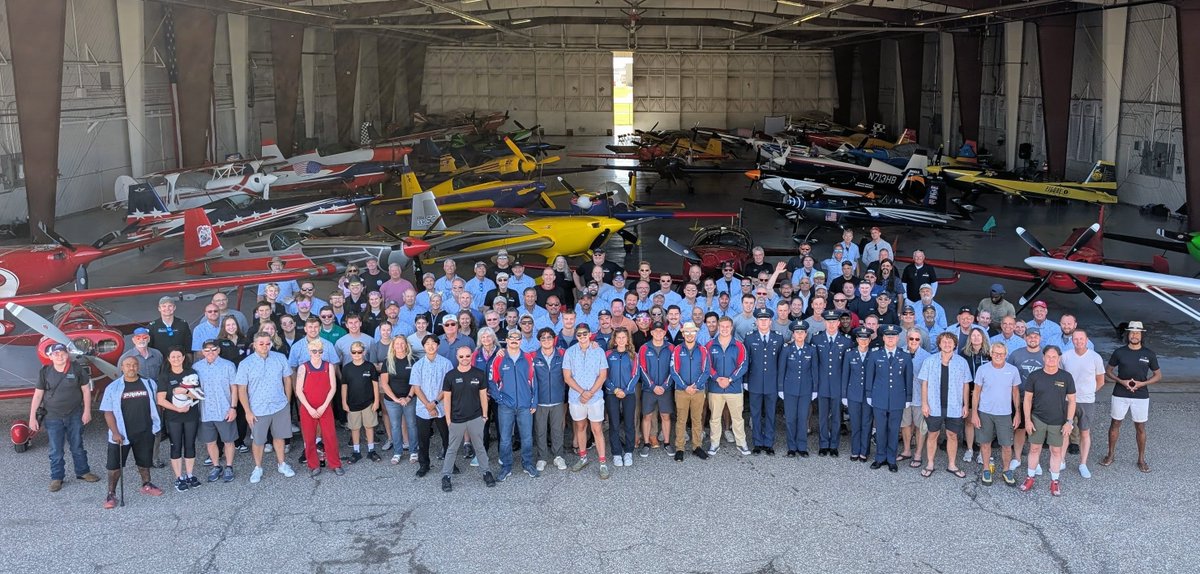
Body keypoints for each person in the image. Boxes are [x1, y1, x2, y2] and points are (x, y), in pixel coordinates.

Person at [30, 343, 98, 492]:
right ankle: (57, 477)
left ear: (67, 354)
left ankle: (83, 472)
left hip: (75, 414)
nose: (59, 356)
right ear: (50, 356)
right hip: (52, 417)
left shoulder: (77, 368)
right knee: (56, 449)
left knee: (77, 446)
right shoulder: (45, 372)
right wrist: (32, 417)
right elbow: (38, 395)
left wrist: (87, 411)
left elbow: (86, 391)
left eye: (62, 353)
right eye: (56, 354)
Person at [100, 356, 164, 509]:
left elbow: (156, 404)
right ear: (122, 367)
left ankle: (146, 484)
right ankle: (111, 494)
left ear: (139, 367)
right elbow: (108, 412)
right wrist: (115, 432)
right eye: (128, 365)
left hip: (144, 431)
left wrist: (155, 425)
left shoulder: (149, 384)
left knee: (144, 462)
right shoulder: (113, 387)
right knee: (115, 466)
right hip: (121, 433)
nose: (131, 368)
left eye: (135, 365)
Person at [234, 333, 296, 484]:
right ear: (254, 345)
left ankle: (282, 464)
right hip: (258, 408)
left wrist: (287, 401)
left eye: (267, 343)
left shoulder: (280, 358)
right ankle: (258, 467)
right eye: (261, 343)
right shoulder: (246, 364)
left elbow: (287, 380)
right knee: (259, 440)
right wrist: (248, 411)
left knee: (280, 437)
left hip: (279, 405)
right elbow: (241, 389)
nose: (264, 346)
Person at [1102, 321, 1161, 473]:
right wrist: (1122, 381)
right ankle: (1110, 455)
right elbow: (1108, 371)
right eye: (1132, 332)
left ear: (1142, 335)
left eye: (1137, 333)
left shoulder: (1149, 354)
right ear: (1128, 334)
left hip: (1141, 395)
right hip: (1120, 392)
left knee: (1140, 427)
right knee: (1115, 424)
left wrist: (1142, 384)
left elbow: (1158, 375)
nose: (1134, 335)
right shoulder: (1119, 352)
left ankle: (1141, 459)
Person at [1019, 346, 1076, 496]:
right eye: (1048, 357)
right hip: (1038, 419)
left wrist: (1069, 422)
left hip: (1058, 421)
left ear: (1059, 359)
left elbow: (1072, 400)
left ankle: (1055, 482)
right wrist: (1027, 420)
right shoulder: (1034, 376)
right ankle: (1030, 477)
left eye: (1054, 357)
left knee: (1056, 451)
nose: (1051, 359)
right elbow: (1027, 399)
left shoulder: (1066, 377)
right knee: (1034, 449)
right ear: (1043, 358)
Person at [440, 346, 496, 492]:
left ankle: (486, 472)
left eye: (467, 356)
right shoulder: (450, 376)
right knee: (452, 449)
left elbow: (483, 396)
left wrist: (484, 415)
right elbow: (446, 399)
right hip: (457, 419)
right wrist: (448, 419)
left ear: (471, 356)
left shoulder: (478, 374)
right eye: (461, 356)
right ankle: (446, 476)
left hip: (476, 417)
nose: (464, 359)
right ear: (457, 357)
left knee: (480, 447)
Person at [918, 333, 972, 479]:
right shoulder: (929, 361)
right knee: (933, 434)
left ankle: (952, 464)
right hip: (934, 405)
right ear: (939, 344)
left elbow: (966, 385)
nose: (947, 344)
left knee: (952, 435)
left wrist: (966, 405)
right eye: (944, 342)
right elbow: (924, 384)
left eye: (950, 342)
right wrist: (924, 403)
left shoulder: (962, 362)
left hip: (954, 405)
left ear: (955, 345)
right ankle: (930, 463)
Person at [562, 323, 611, 479]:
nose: (582, 336)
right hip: (576, 398)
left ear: (590, 334)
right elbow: (567, 377)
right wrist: (583, 392)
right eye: (579, 334)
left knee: (597, 429)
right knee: (580, 427)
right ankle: (583, 458)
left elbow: (602, 376)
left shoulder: (599, 351)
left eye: (585, 333)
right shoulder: (570, 352)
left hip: (595, 397)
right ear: (576, 336)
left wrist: (590, 393)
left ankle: (602, 463)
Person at [489, 330, 539, 481]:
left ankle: (528, 464)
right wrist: (500, 399)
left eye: (518, 338)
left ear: (521, 341)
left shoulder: (528, 358)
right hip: (506, 405)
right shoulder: (499, 359)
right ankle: (506, 466)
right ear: (507, 340)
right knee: (505, 438)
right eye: (512, 338)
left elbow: (534, 381)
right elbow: (492, 381)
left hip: (525, 404)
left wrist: (534, 401)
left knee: (527, 438)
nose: (515, 340)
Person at [970, 343, 1022, 486]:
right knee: (985, 443)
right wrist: (974, 413)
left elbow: (1016, 393)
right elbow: (976, 393)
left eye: (1002, 353)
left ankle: (1006, 470)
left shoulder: (1012, 370)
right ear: (991, 354)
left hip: (1005, 414)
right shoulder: (982, 369)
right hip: (985, 412)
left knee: (1006, 445)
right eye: (996, 353)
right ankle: (986, 469)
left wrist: (1018, 413)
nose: (999, 356)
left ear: (1006, 355)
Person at [295, 338, 344, 477]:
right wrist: (309, 408)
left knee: (330, 436)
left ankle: (335, 463)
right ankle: (313, 465)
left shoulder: (328, 366)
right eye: (314, 351)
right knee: (309, 438)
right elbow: (299, 390)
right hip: (308, 408)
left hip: (325, 407)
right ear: (309, 351)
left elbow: (333, 388)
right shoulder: (303, 367)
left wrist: (324, 405)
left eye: (320, 351)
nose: (317, 354)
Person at [866, 325, 912, 472]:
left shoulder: (905, 356)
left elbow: (908, 378)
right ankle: (880, 457)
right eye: (888, 336)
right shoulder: (875, 355)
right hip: (879, 397)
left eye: (893, 336)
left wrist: (908, 397)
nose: (891, 338)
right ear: (883, 338)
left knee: (893, 430)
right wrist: (869, 394)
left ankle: (891, 459)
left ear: (898, 338)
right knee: (880, 429)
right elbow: (870, 377)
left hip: (897, 398)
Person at [156, 347, 201, 492]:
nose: (176, 359)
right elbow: (160, 400)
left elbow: (198, 395)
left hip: (191, 416)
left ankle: (189, 475)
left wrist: (186, 391)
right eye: (173, 357)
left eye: (179, 356)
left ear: (183, 358)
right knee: (176, 446)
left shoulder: (192, 373)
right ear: (169, 359)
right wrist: (177, 409)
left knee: (190, 445)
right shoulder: (164, 376)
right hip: (173, 417)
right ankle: (179, 478)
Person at [193, 339, 238, 483]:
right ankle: (216, 465)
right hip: (205, 411)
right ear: (202, 352)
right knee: (210, 442)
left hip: (224, 410)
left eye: (213, 349)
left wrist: (233, 407)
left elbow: (234, 388)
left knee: (228, 441)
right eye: (206, 350)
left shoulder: (228, 366)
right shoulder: (197, 367)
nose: (210, 352)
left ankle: (229, 466)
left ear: (218, 350)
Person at [705, 317, 749, 456]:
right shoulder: (710, 345)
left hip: (734, 388)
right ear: (718, 327)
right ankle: (714, 443)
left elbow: (743, 365)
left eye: (727, 326)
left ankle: (741, 443)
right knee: (715, 418)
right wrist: (717, 378)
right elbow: (707, 365)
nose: (724, 329)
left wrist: (730, 379)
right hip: (715, 388)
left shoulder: (739, 345)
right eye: (722, 326)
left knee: (737, 418)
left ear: (731, 328)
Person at [811, 309, 852, 456]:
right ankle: (823, 444)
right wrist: (814, 386)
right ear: (825, 322)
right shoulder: (816, 339)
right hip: (822, 384)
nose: (831, 324)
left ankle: (834, 445)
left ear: (839, 323)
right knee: (822, 416)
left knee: (836, 416)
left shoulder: (846, 341)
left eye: (834, 321)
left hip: (837, 385)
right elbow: (814, 365)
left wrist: (845, 389)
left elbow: (847, 367)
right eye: (829, 321)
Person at [412, 336, 453, 478]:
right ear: (423, 347)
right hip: (423, 408)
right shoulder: (418, 365)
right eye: (427, 344)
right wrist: (428, 405)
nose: (430, 346)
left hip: (441, 406)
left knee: (447, 437)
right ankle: (424, 465)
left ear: (438, 345)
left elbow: (448, 387)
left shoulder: (446, 364)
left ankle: (450, 464)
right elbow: (416, 388)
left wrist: (434, 403)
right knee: (423, 439)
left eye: (433, 343)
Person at [744, 308, 784, 455]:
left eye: (766, 319)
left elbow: (781, 363)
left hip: (772, 383)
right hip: (754, 382)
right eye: (761, 319)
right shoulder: (749, 338)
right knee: (755, 414)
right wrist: (746, 380)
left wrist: (780, 384)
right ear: (756, 321)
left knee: (770, 414)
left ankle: (768, 443)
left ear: (770, 321)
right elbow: (747, 361)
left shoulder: (778, 338)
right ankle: (757, 443)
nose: (763, 322)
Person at [670, 322, 710, 462]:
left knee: (697, 419)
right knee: (681, 419)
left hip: (698, 391)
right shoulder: (676, 350)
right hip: (681, 390)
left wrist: (696, 385)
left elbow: (706, 370)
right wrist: (685, 386)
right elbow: (673, 371)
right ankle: (680, 448)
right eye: (686, 332)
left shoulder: (703, 350)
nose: (689, 334)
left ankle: (697, 446)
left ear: (696, 333)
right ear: (683, 334)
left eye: (692, 332)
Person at [779, 320, 817, 457]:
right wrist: (780, 388)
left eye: (802, 332)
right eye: (797, 332)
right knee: (790, 418)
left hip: (806, 389)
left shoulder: (811, 349)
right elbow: (782, 369)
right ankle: (791, 447)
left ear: (806, 334)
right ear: (793, 334)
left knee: (803, 418)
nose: (799, 335)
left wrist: (815, 389)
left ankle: (802, 446)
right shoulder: (787, 349)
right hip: (789, 389)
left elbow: (814, 370)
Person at [604, 328, 640, 468]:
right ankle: (617, 453)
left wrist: (625, 390)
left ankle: (628, 452)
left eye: (623, 337)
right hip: (612, 393)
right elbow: (604, 375)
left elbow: (635, 374)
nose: (621, 340)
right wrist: (614, 389)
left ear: (627, 339)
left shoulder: (633, 355)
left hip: (628, 393)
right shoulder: (608, 354)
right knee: (614, 423)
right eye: (618, 337)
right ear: (614, 339)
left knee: (629, 423)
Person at [638, 321, 675, 456]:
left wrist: (665, 385)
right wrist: (653, 386)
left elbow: (674, 368)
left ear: (665, 333)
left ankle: (666, 443)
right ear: (651, 332)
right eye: (655, 331)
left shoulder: (671, 348)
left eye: (661, 331)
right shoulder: (644, 348)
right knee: (647, 416)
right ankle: (646, 443)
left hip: (666, 389)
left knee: (665, 416)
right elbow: (642, 368)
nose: (658, 333)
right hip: (649, 389)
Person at [381, 337, 419, 464]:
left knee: (412, 425)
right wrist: (396, 399)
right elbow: (384, 384)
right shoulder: (387, 361)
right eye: (397, 343)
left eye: (402, 343)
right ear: (393, 345)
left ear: (406, 345)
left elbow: (416, 382)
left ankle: (414, 451)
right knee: (396, 426)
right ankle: (397, 452)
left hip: (410, 399)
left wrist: (408, 397)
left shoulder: (414, 360)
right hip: (392, 401)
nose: (400, 345)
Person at [341, 341, 381, 463]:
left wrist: (376, 401)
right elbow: (344, 386)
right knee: (355, 428)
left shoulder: (369, 366)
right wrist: (344, 402)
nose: (357, 354)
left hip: (368, 403)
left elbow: (375, 385)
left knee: (369, 426)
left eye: (359, 352)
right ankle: (356, 451)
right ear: (350, 353)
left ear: (364, 352)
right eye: (354, 352)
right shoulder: (347, 368)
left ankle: (371, 450)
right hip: (353, 404)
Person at [841, 327, 875, 462]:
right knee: (855, 424)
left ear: (870, 340)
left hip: (868, 396)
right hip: (853, 394)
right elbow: (845, 375)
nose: (863, 341)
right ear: (857, 340)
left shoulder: (874, 354)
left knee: (866, 423)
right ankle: (855, 450)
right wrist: (844, 395)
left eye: (866, 339)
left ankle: (864, 451)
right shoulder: (850, 354)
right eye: (861, 339)